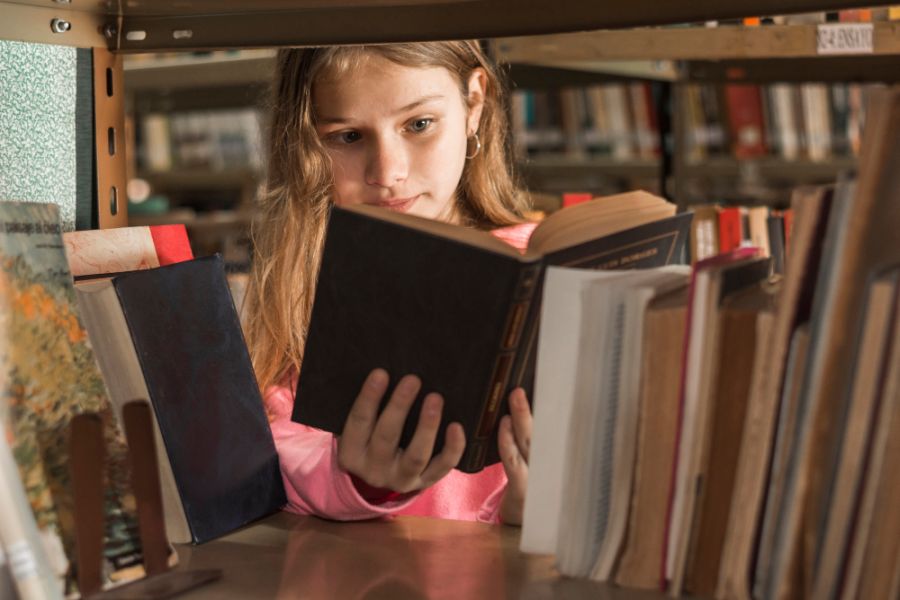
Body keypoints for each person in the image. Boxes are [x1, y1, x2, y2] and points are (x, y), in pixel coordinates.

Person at [242, 41, 537, 526]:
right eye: (348, 136)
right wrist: (360, 480)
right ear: (305, 146)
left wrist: (528, 517)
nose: (388, 173)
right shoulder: (297, 293)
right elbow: (275, 466)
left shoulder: (535, 266)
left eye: (419, 124)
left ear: (474, 104)